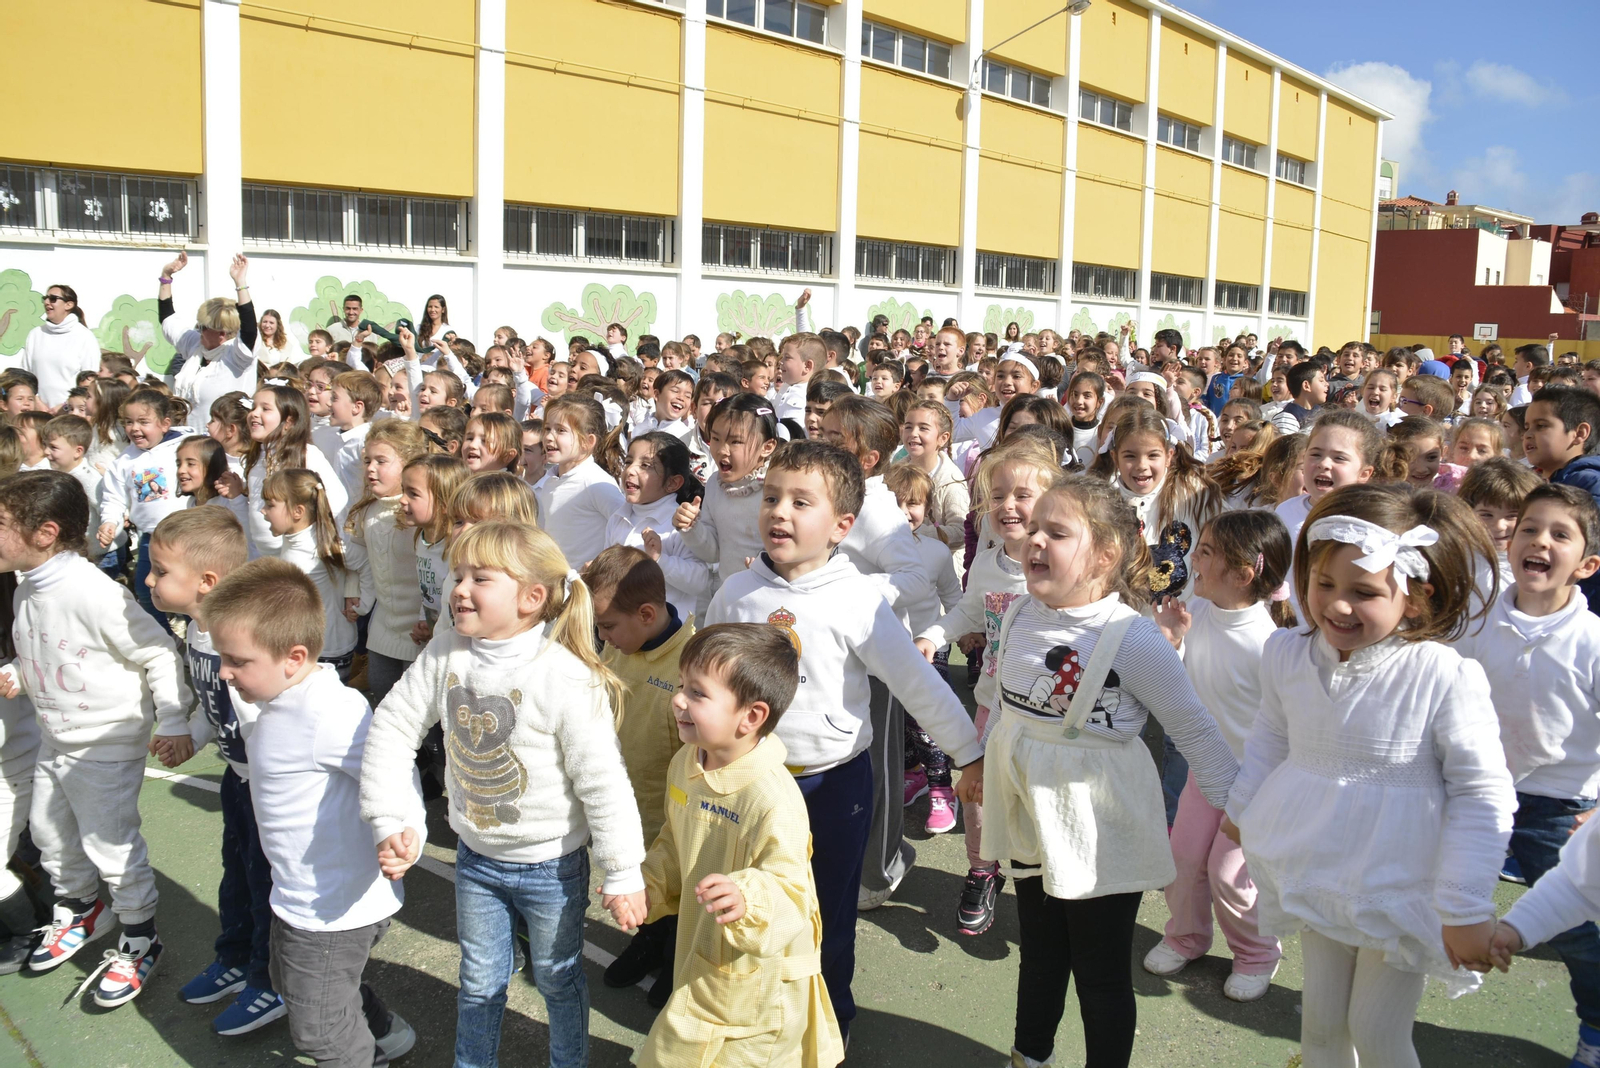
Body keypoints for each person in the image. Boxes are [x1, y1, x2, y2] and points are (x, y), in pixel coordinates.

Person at [1224, 484, 1514, 1068]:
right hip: (1315, 856)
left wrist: (1464, 904)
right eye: (1323, 584)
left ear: (1414, 596)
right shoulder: (1288, 653)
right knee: (1323, 1026)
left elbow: (1482, 792)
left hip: (1399, 876)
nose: (1336, 605)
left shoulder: (1441, 674)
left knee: (1377, 1029)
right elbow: (1271, 738)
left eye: (1364, 592)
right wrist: (1242, 809)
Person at [705, 440, 982, 1041]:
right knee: (750, 906)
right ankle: (754, 1012)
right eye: (772, 497)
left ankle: (830, 1023)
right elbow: (708, 684)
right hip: (750, 784)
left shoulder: (857, 599)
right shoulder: (736, 592)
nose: (779, 511)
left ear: (841, 526)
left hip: (833, 784)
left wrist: (969, 753)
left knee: (827, 912)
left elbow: (917, 683)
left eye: (801, 502)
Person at [360, 521, 644, 1068]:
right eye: (456, 574)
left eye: (480, 578)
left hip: (551, 867)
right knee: (478, 982)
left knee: (559, 980)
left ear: (532, 598)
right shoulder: (446, 653)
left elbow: (602, 780)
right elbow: (393, 729)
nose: (458, 588)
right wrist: (393, 816)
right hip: (476, 861)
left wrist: (623, 870)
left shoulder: (562, 675)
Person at [204, 557, 421, 1064]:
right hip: (298, 894)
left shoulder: (330, 711)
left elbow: (388, 768)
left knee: (320, 1029)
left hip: (330, 910)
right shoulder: (276, 692)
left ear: (293, 657)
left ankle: (360, 1052)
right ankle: (386, 1036)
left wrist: (401, 828)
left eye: (236, 660)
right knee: (304, 985)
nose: (224, 671)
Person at [0, 471, 190, 1006]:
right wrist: (20, 669)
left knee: (110, 842)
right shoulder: (27, 588)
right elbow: (45, 643)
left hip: (104, 743)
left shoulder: (92, 590)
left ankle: (139, 937)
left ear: (44, 533)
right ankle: (84, 909)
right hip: (55, 738)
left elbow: (155, 650)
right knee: (50, 833)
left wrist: (174, 719)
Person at [624, 623, 845, 1068]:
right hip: (703, 955)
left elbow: (792, 890)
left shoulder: (772, 798)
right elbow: (675, 837)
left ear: (751, 717)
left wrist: (747, 897)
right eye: (683, 685)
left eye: (698, 693)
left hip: (757, 983)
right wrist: (648, 884)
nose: (679, 699)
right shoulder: (687, 761)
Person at [1454, 483, 1600, 1063]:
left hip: (1558, 803)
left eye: (1560, 535)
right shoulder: (1477, 618)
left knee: (1576, 930)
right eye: (1531, 528)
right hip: (1474, 787)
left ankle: (1595, 1029)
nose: (1540, 541)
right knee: (1426, 889)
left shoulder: (1592, 642)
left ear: (1587, 564)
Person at [145, 508, 287, 1034]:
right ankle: (234, 957)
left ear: (207, 582)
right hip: (237, 777)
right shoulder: (199, 632)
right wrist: (193, 736)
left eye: (161, 571)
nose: (149, 580)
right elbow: (215, 709)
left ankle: (269, 980)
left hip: (266, 789)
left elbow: (265, 718)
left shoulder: (239, 636)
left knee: (264, 883)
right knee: (237, 877)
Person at [1143, 510, 1291, 1002]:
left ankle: (1256, 953)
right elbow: (1181, 687)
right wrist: (1174, 641)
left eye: (1205, 553)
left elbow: (1287, 729)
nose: (1193, 560)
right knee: (1183, 858)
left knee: (1230, 873)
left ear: (1244, 573)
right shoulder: (1196, 609)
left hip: (1259, 785)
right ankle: (1186, 937)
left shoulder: (1270, 644)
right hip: (1206, 773)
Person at [916, 439, 1062, 935]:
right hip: (991, 702)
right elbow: (970, 609)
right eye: (997, 495)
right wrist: (935, 634)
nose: (1008, 506)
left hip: (1046, 714)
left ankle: (1043, 880)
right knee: (977, 793)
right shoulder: (990, 559)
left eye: (1023, 495)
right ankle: (982, 869)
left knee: (1039, 799)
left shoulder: (1065, 562)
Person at [581, 546, 698, 1007]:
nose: (601, 635)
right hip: (625, 810)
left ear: (646, 614)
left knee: (680, 890)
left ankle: (677, 957)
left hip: (671, 819)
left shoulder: (690, 664)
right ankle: (651, 942)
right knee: (643, 887)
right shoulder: (618, 646)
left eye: (607, 625)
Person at [344, 420, 430, 706]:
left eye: (381, 461)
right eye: (367, 460)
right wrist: (353, 590)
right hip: (382, 627)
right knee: (381, 696)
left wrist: (424, 616)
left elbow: (429, 568)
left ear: (408, 464)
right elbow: (358, 556)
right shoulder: (366, 512)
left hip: (418, 631)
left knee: (413, 706)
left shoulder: (417, 515)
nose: (371, 468)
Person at [97, 388, 192, 631]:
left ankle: (197, 635)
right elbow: (114, 499)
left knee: (192, 590)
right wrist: (110, 522)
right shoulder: (124, 462)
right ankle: (168, 639)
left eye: (143, 422)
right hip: (153, 538)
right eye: (128, 422)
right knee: (145, 590)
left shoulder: (185, 447)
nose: (134, 428)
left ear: (164, 423)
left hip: (189, 535)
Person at [674, 394, 782, 595]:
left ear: (767, 447)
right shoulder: (716, 485)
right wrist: (691, 527)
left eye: (736, 442)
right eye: (715, 438)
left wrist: (771, 565)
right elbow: (714, 552)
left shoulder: (778, 489)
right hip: (728, 595)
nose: (723, 450)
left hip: (771, 597)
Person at [262, 469, 360, 682]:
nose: (263, 511)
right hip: (307, 646)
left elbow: (364, 563)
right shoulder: (295, 537)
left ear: (297, 511)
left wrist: (361, 599)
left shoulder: (320, 546)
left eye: (270, 505)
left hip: (327, 650)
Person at [605, 433, 709, 622]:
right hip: (626, 633)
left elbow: (700, 582)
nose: (630, 470)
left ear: (672, 483)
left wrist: (659, 560)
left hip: (670, 637)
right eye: (628, 461)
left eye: (645, 465)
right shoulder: (618, 517)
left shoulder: (681, 524)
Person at [1525, 387, 1600, 613]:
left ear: (1580, 433)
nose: (1528, 434)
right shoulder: (1552, 479)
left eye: (1541, 426)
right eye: (1527, 427)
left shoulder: (1588, 483)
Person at [161, 252, 259, 424]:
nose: (198, 330)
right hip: (187, 441)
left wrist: (240, 283)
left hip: (224, 443)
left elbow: (250, 331)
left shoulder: (237, 356)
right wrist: (166, 276)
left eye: (203, 327)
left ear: (222, 333)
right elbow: (167, 319)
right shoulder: (196, 345)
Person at [533, 395, 626, 570]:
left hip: (583, 586)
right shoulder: (550, 481)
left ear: (588, 442)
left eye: (560, 430)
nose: (549, 437)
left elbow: (624, 529)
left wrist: (598, 567)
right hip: (555, 580)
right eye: (547, 429)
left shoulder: (596, 484)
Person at [20, 284, 100, 411]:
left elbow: (89, 381)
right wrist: (37, 402)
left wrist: (64, 406)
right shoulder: (36, 334)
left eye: (53, 298)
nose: (47, 302)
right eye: (45, 298)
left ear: (69, 305)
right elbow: (25, 375)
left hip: (70, 413)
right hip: (38, 411)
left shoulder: (84, 336)